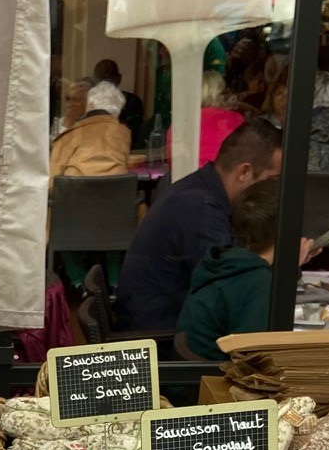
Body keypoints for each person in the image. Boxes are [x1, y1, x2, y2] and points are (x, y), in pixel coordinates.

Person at [114, 117, 282, 333]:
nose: (275, 189)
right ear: (244, 172)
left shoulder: (202, 191)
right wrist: (280, 259)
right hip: (162, 340)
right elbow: (232, 286)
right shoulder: (198, 207)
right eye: (273, 179)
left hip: (170, 325)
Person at [174, 177, 296, 359]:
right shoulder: (257, 281)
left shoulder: (225, 260)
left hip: (194, 377)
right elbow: (257, 358)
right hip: (216, 381)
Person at [49, 79, 131, 180]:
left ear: (88, 105)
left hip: (75, 192)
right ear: (116, 114)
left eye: (76, 100)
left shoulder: (69, 135)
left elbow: (51, 178)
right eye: (68, 99)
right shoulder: (123, 133)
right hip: (117, 193)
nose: (70, 104)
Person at [93, 57, 144, 144]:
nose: (106, 84)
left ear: (118, 79)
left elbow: (130, 136)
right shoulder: (90, 102)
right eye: (102, 80)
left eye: (110, 79)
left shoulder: (132, 101)